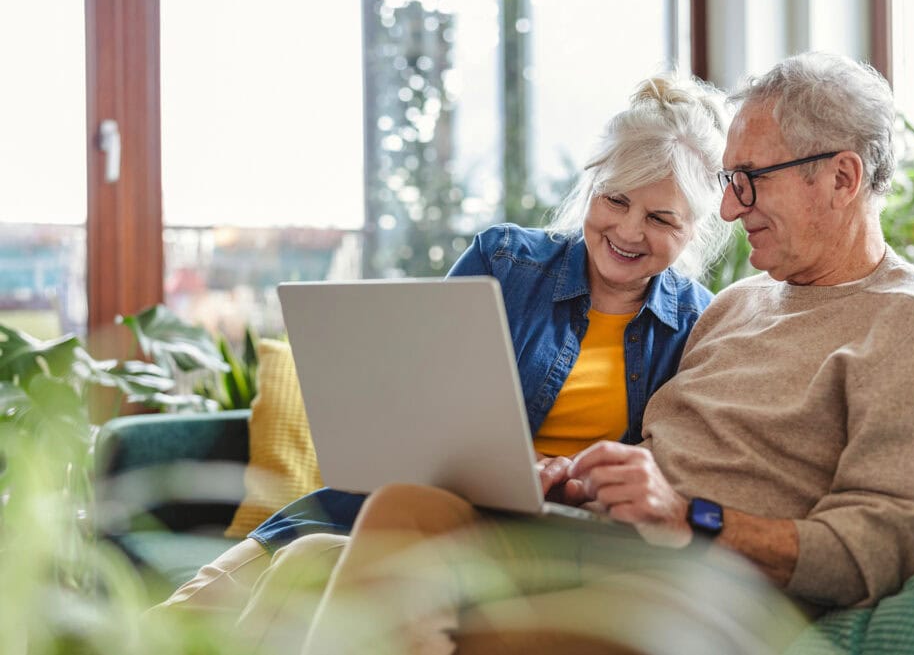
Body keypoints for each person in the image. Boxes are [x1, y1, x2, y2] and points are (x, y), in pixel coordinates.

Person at [235, 51, 914, 655]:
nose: (727, 209)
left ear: (843, 176)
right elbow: (663, 453)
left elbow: (876, 547)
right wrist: (586, 478)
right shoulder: (737, 306)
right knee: (347, 539)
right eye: (730, 182)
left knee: (365, 597)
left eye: (749, 182)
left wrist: (688, 512)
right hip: (606, 543)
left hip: (712, 590)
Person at [152, 72, 734, 622]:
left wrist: (575, 480)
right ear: (590, 190)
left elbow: (666, 480)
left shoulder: (698, 323)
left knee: (300, 574)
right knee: (190, 610)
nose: (629, 230)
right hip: (403, 500)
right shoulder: (504, 261)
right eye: (615, 200)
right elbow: (414, 405)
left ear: (695, 231)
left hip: (533, 537)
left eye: (660, 218)